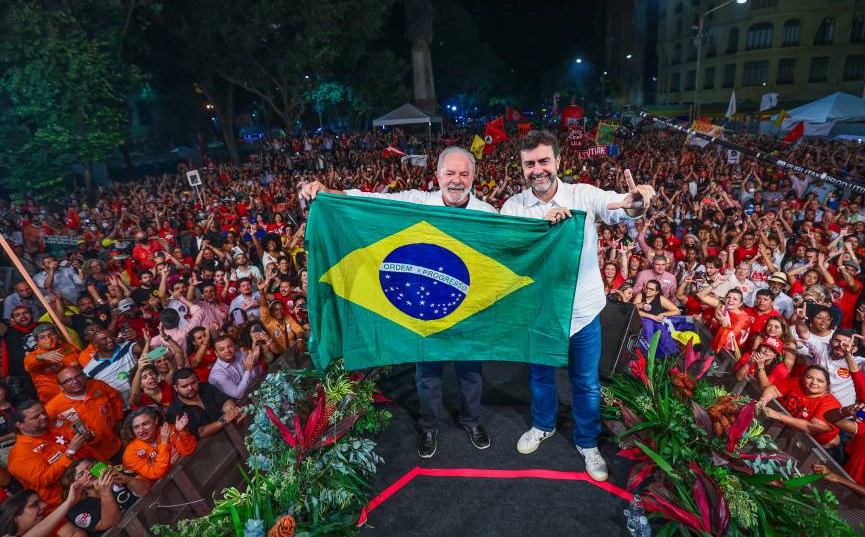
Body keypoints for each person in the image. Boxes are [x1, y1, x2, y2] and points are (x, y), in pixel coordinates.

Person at [300, 146, 497, 460]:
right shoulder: (418, 203)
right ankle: (430, 426)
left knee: (471, 372)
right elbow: (376, 202)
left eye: (464, 174)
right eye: (450, 173)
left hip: (467, 311)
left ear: (474, 177)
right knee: (427, 374)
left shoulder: (488, 214)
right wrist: (333, 193)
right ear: (438, 176)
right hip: (425, 309)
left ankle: (472, 420)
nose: (457, 181)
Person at [499, 130, 653, 481]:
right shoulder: (514, 206)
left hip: (583, 312)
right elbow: (508, 252)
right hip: (539, 312)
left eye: (543, 161)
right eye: (529, 164)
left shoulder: (583, 194)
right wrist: (542, 229)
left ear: (558, 162)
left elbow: (619, 206)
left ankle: (587, 442)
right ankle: (543, 425)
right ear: (521, 168)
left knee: (585, 382)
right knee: (539, 377)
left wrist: (637, 202)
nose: (537, 170)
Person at [8, 400, 94, 507]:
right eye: (36, 417)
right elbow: (44, 479)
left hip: (96, 472)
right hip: (72, 499)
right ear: (20, 424)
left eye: (43, 412)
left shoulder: (56, 424)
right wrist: (69, 452)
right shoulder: (20, 454)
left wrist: (87, 437)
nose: (43, 417)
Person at [45, 367, 124, 462]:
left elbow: (115, 398)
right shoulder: (52, 407)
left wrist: (118, 419)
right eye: (68, 380)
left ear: (84, 376)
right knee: (106, 476)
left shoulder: (98, 385)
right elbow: (51, 433)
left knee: (130, 471)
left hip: (116, 444)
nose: (75, 381)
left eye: (78, 376)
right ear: (61, 387)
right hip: (89, 458)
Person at [59, 459, 150, 536]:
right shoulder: (75, 508)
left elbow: (146, 489)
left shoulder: (115, 472)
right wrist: (105, 493)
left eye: (90, 468)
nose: (89, 473)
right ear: (74, 484)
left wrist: (127, 479)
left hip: (150, 519)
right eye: (81, 474)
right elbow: (111, 523)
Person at [758, 365, 841, 446]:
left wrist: (779, 416)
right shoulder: (797, 382)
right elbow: (773, 390)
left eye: (820, 381)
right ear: (803, 378)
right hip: (788, 429)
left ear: (827, 386)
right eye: (809, 377)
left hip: (814, 445)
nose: (814, 382)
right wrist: (764, 400)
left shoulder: (830, 403)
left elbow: (812, 428)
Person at [165, 368, 244, 439]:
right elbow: (200, 432)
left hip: (232, 431)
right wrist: (222, 421)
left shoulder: (206, 387)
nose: (190, 388)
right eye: (185, 386)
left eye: (193, 383)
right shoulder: (174, 411)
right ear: (175, 388)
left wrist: (233, 413)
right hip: (211, 448)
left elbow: (225, 401)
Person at [122, 407, 196, 480]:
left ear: (156, 421)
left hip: (188, 473)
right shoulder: (130, 454)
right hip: (165, 488)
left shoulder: (168, 429)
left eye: (145, 424)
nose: (141, 430)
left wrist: (181, 432)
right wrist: (164, 444)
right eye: (136, 427)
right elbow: (156, 473)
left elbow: (188, 451)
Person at [81, 328, 142, 404]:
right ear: (95, 344)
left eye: (111, 336)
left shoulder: (126, 346)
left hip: (144, 397)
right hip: (122, 408)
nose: (110, 340)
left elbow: (144, 351)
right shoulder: (89, 370)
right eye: (104, 339)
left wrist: (137, 339)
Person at [23, 325, 81, 404]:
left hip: (78, 392)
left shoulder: (68, 347)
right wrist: (41, 357)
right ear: (37, 342)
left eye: (51, 334)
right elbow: (28, 364)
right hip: (53, 399)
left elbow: (82, 362)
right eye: (42, 337)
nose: (48, 339)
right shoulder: (33, 356)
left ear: (57, 335)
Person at [0, 485, 86, 537]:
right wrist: (68, 502)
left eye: (41, 502)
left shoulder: (45, 516)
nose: (44, 505)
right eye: (35, 504)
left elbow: (76, 534)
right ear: (15, 517)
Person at [207, 336, 262, 401]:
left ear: (234, 346)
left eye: (230, 346)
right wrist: (248, 370)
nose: (227, 350)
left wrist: (254, 361)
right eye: (222, 349)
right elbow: (238, 395)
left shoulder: (240, 355)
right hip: (240, 404)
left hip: (256, 390)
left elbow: (256, 376)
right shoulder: (217, 374)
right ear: (216, 353)